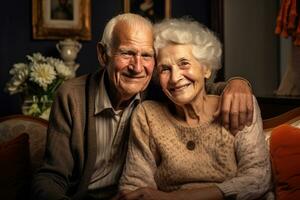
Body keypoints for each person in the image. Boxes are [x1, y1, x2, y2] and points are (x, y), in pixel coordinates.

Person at [31, 13, 254, 199]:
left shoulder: (159, 90)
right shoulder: (72, 96)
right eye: (127, 53)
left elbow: (198, 87)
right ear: (103, 54)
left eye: (147, 55)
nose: (137, 67)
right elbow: (51, 177)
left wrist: (238, 83)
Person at [116, 18, 272, 200]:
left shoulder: (237, 105)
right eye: (165, 69)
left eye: (184, 63)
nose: (175, 78)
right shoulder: (147, 115)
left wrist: (174, 198)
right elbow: (135, 185)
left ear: (205, 69)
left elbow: (258, 180)